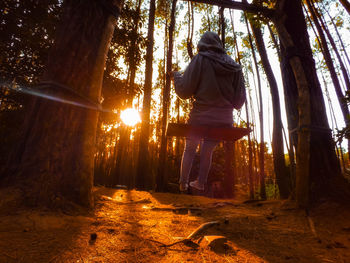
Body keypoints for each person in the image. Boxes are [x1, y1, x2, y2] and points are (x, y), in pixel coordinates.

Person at [172, 31, 246, 192]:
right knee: (207, 149)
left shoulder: (200, 59)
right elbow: (239, 102)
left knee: (190, 147)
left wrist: (176, 76)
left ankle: (183, 183)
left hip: (200, 118)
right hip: (223, 121)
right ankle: (201, 182)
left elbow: (184, 92)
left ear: (203, 43)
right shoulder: (235, 66)